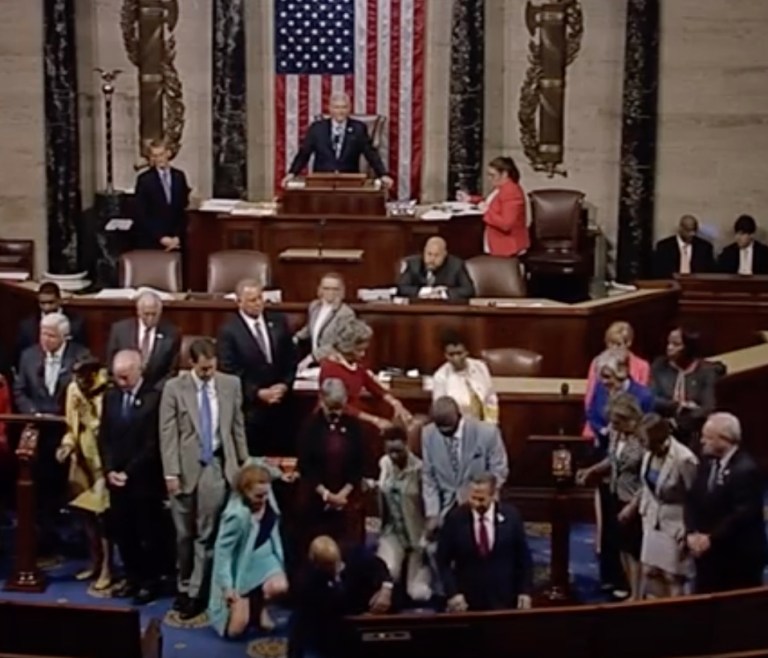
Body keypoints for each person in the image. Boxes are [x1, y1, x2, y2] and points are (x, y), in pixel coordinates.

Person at [159, 338, 250, 620]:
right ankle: (183, 583)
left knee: (206, 534)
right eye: (203, 369)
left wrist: (243, 465)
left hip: (216, 467)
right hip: (184, 469)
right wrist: (171, 472)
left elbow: (237, 427)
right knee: (184, 534)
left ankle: (196, 592)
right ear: (192, 364)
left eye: (212, 367)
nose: (209, 373)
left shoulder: (231, 384)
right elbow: (167, 433)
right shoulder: (175, 388)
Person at [13, 312, 90, 554]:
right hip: (38, 432)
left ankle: (74, 542)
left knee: (67, 489)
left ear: (64, 336)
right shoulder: (29, 356)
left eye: (51, 335)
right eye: (43, 334)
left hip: (68, 431)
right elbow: (20, 390)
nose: (45, 339)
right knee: (40, 489)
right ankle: (44, 540)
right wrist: (32, 412)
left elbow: (87, 394)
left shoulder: (81, 357)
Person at [99, 349, 166, 605]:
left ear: (139, 370)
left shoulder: (154, 399)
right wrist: (109, 470)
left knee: (147, 533)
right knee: (123, 532)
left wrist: (128, 472)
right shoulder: (111, 397)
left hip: (143, 480)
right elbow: (104, 437)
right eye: (117, 377)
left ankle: (150, 582)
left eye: (125, 376)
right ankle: (132, 577)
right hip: (116, 480)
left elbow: (152, 444)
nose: (121, 382)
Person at [685, 412, 767, 593]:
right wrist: (691, 533)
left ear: (724, 440)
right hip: (707, 557)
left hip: (736, 560)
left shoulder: (746, 470)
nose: (702, 441)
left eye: (708, 437)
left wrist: (710, 539)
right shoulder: (706, 463)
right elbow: (692, 499)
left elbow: (742, 516)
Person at [217, 278, 298, 456]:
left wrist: (284, 384)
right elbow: (229, 370)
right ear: (239, 302)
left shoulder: (278, 321)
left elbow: (291, 359)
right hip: (250, 411)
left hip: (282, 407)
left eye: (260, 298)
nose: (258, 303)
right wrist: (257, 393)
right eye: (252, 300)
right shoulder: (229, 331)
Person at [578, 393, 646, 600]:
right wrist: (591, 470)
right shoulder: (617, 434)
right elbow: (612, 459)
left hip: (634, 500)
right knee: (621, 546)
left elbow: (647, 478)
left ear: (630, 419)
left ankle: (637, 595)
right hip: (615, 494)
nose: (613, 426)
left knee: (633, 549)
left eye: (617, 422)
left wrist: (633, 505)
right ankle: (630, 588)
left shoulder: (643, 439)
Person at [208, 462, 288, 637]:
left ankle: (259, 608)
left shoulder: (267, 496)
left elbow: (257, 462)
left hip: (265, 557)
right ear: (245, 491)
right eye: (258, 496)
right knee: (235, 631)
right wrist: (227, 587)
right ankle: (248, 603)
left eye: (266, 494)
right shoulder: (236, 515)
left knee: (280, 586)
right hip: (242, 565)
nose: (264, 499)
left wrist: (281, 473)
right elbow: (223, 554)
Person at [437, 472, 532, 611]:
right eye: (473, 498)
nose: (476, 503)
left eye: (481, 499)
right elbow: (442, 561)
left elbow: (523, 558)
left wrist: (525, 591)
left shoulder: (511, 517)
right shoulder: (455, 519)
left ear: (493, 495)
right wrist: (453, 593)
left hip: (505, 599)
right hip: (467, 602)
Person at [55, 356, 111, 591]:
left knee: (103, 516)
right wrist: (67, 445)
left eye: (82, 377)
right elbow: (71, 425)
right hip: (81, 460)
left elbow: (106, 429)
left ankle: (108, 568)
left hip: (102, 460)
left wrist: (89, 416)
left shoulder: (107, 390)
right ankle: (95, 561)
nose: (77, 381)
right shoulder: (73, 389)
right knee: (85, 514)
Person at [288, 535, 394, 658]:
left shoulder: (355, 555)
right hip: (334, 627)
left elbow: (380, 568)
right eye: (326, 565)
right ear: (315, 564)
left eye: (333, 563)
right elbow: (304, 621)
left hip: (370, 608)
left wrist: (386, 590)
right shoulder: (309, 581)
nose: (332, 568)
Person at [421, 396, 508, 538]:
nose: (445, 432)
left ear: (459, 416)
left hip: (478, 503)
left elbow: (499, 471)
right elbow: (428, 477)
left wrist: (480, 497)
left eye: (449, 428)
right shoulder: (428, 434)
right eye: (440, 429)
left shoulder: (487, 433)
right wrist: (432, 513)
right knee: (432, 545)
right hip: (445, 507)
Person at [298, 378, 365, 551]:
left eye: (339, 408)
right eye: (331, 408)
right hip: (316, 501)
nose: (336, 413)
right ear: (321, 399)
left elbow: (360, 463)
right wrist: (327, 495)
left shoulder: (354, 426)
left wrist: (343, 494)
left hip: (347, 500)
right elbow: (305, 466)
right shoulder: (310, 427)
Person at [636, 414, 698, 598]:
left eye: (643, 439)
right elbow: (647, 486)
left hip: (676, 522)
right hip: (652, 519)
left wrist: (688, 529)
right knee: (650, 571)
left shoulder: (684, 459)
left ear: (656, 438)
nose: (640, 443)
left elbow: (694, 496)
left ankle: (676, 614)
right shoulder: (648, 454)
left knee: (672, 576)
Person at [282, 92, 393, 188]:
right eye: (336, 107)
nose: (340, 111)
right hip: (321, 181)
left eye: (344, 107)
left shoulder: (358, 129)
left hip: (350, 182)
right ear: (330, 109)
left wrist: (383, 174)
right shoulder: (317, 128)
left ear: (349, 109)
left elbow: (370, 153)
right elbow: (304, 153)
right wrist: (292, 173)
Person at [318, 319, 410, 431]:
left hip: (356, 418)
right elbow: (338, 406)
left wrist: (396, 404)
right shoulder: (330, 369)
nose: (363, 354)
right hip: (337, 422)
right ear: (347, 348)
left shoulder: (356, 365)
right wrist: (375, 420)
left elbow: (375, 388)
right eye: (359, 350)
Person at [376, 426, 432, 603]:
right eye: (390, 451)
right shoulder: (384, 463)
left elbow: (429, 504)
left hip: (416, 533)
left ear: (407, 445)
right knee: (387, 575)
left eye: (398, 451)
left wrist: (428, 535)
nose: (394, 456)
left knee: (417, 593)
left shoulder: (420, 470)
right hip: (393, 531)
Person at [650, 327, 719, 444]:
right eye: (669, 343)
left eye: (676, 344)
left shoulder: (705, 371)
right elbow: (653, 399)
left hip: (694, 431)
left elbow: (708, 407)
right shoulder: (659, 366)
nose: (669, 347)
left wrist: (681, 421)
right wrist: (679, 406)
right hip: (664, 427)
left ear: (689, 348)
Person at [105, 290, 181, 390]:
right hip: (125, 389)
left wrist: (154, 392)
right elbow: (111, 365)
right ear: (138, 311)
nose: (150, 318)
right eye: (146, 314)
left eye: (154, 314)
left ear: (160, 312)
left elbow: (172, 371)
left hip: (157, 392)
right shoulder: (120, 330)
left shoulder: (172, 333)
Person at [583, 321, 650, 432]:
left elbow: (641, 401)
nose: (613, 348)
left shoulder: (642, 366)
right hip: (599, 427)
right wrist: (602, 429)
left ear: (628, 343)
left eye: (618, 344)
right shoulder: (599, 362)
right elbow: (590, 401)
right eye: (610, 343)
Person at [457, 156, 529, 258]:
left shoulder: (511, 191)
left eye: (493, 175)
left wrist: (486, 211)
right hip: (497, 244)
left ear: (504, 174)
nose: (489, 178)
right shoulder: (501, 188)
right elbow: (492, 202)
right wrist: (470, 199)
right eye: (488, 175)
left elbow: (506, 224)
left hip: (507, 247)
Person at [132, 138, 191, 253]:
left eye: (161, 154)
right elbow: (141, 214)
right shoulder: (144, 180)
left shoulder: (179, 177)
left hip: (176, 241)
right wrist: (161, 238)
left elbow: (183, 209)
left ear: (168, 153)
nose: (159, 159)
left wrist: (177, 237)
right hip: (153, 241)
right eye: (155, 156)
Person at [431, 329, 499, 424]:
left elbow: (490, 397)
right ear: (445, 355)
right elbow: (441, 411)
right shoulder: (441, 377)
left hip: (485, 423)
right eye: (451, 354)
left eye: (459, 353)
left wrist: (491, 424)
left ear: (467, 352)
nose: (456, 358)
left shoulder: (480, 367)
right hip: (458, 426)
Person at [15, 281, 87, 366]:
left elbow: (80, 352)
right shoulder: (27, 326)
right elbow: (22, 357)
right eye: (43, 303)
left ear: (59, 300)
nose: (47, 307)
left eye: (51, 302)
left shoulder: (75, 323)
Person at [294, 272, 356, 369]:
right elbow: (310, 328)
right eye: (326, 288)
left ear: (342, 291)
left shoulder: (345, 313)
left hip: (333, 363)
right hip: (315, 362)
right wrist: (295, 338)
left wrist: (311, 358)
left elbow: (337, 343)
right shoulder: (314, 306)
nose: (330, 292)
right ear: (320, 290)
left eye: (335, 289)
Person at [396, 237, 475, 301]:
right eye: (429, 254)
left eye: (436, 255)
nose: (432, 259)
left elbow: (468, 290)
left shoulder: (456, 265)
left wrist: (442, 293)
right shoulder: (413, 264)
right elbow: (401, 288)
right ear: (424, 252)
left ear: (444, 254)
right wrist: (427, 291)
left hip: (446, 309)